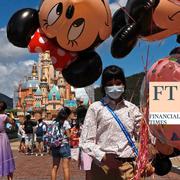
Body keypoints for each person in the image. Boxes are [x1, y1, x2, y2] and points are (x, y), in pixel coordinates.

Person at [80, 65, 142, 180]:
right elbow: (85, 141)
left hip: (129, 167)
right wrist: (103, 157)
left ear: (124, 84)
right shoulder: (96, 108)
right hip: (103, 168)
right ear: (104, 87)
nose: (114, 87)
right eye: (110, 84)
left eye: (118, 83)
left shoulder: (132, 109)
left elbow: (144, 135)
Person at [51, 107, 72, 180]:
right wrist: (71, 132)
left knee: (55, 167)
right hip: (64, 145)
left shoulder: (53, 122)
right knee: (65, 167)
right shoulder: (65, 122)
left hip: (55, 146)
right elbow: (69, 136)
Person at [0, 101, 15, 180]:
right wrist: (11, 116)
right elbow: (13, 123)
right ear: (4, 108)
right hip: (3, 139)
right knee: (7, 158)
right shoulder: (4, 116)